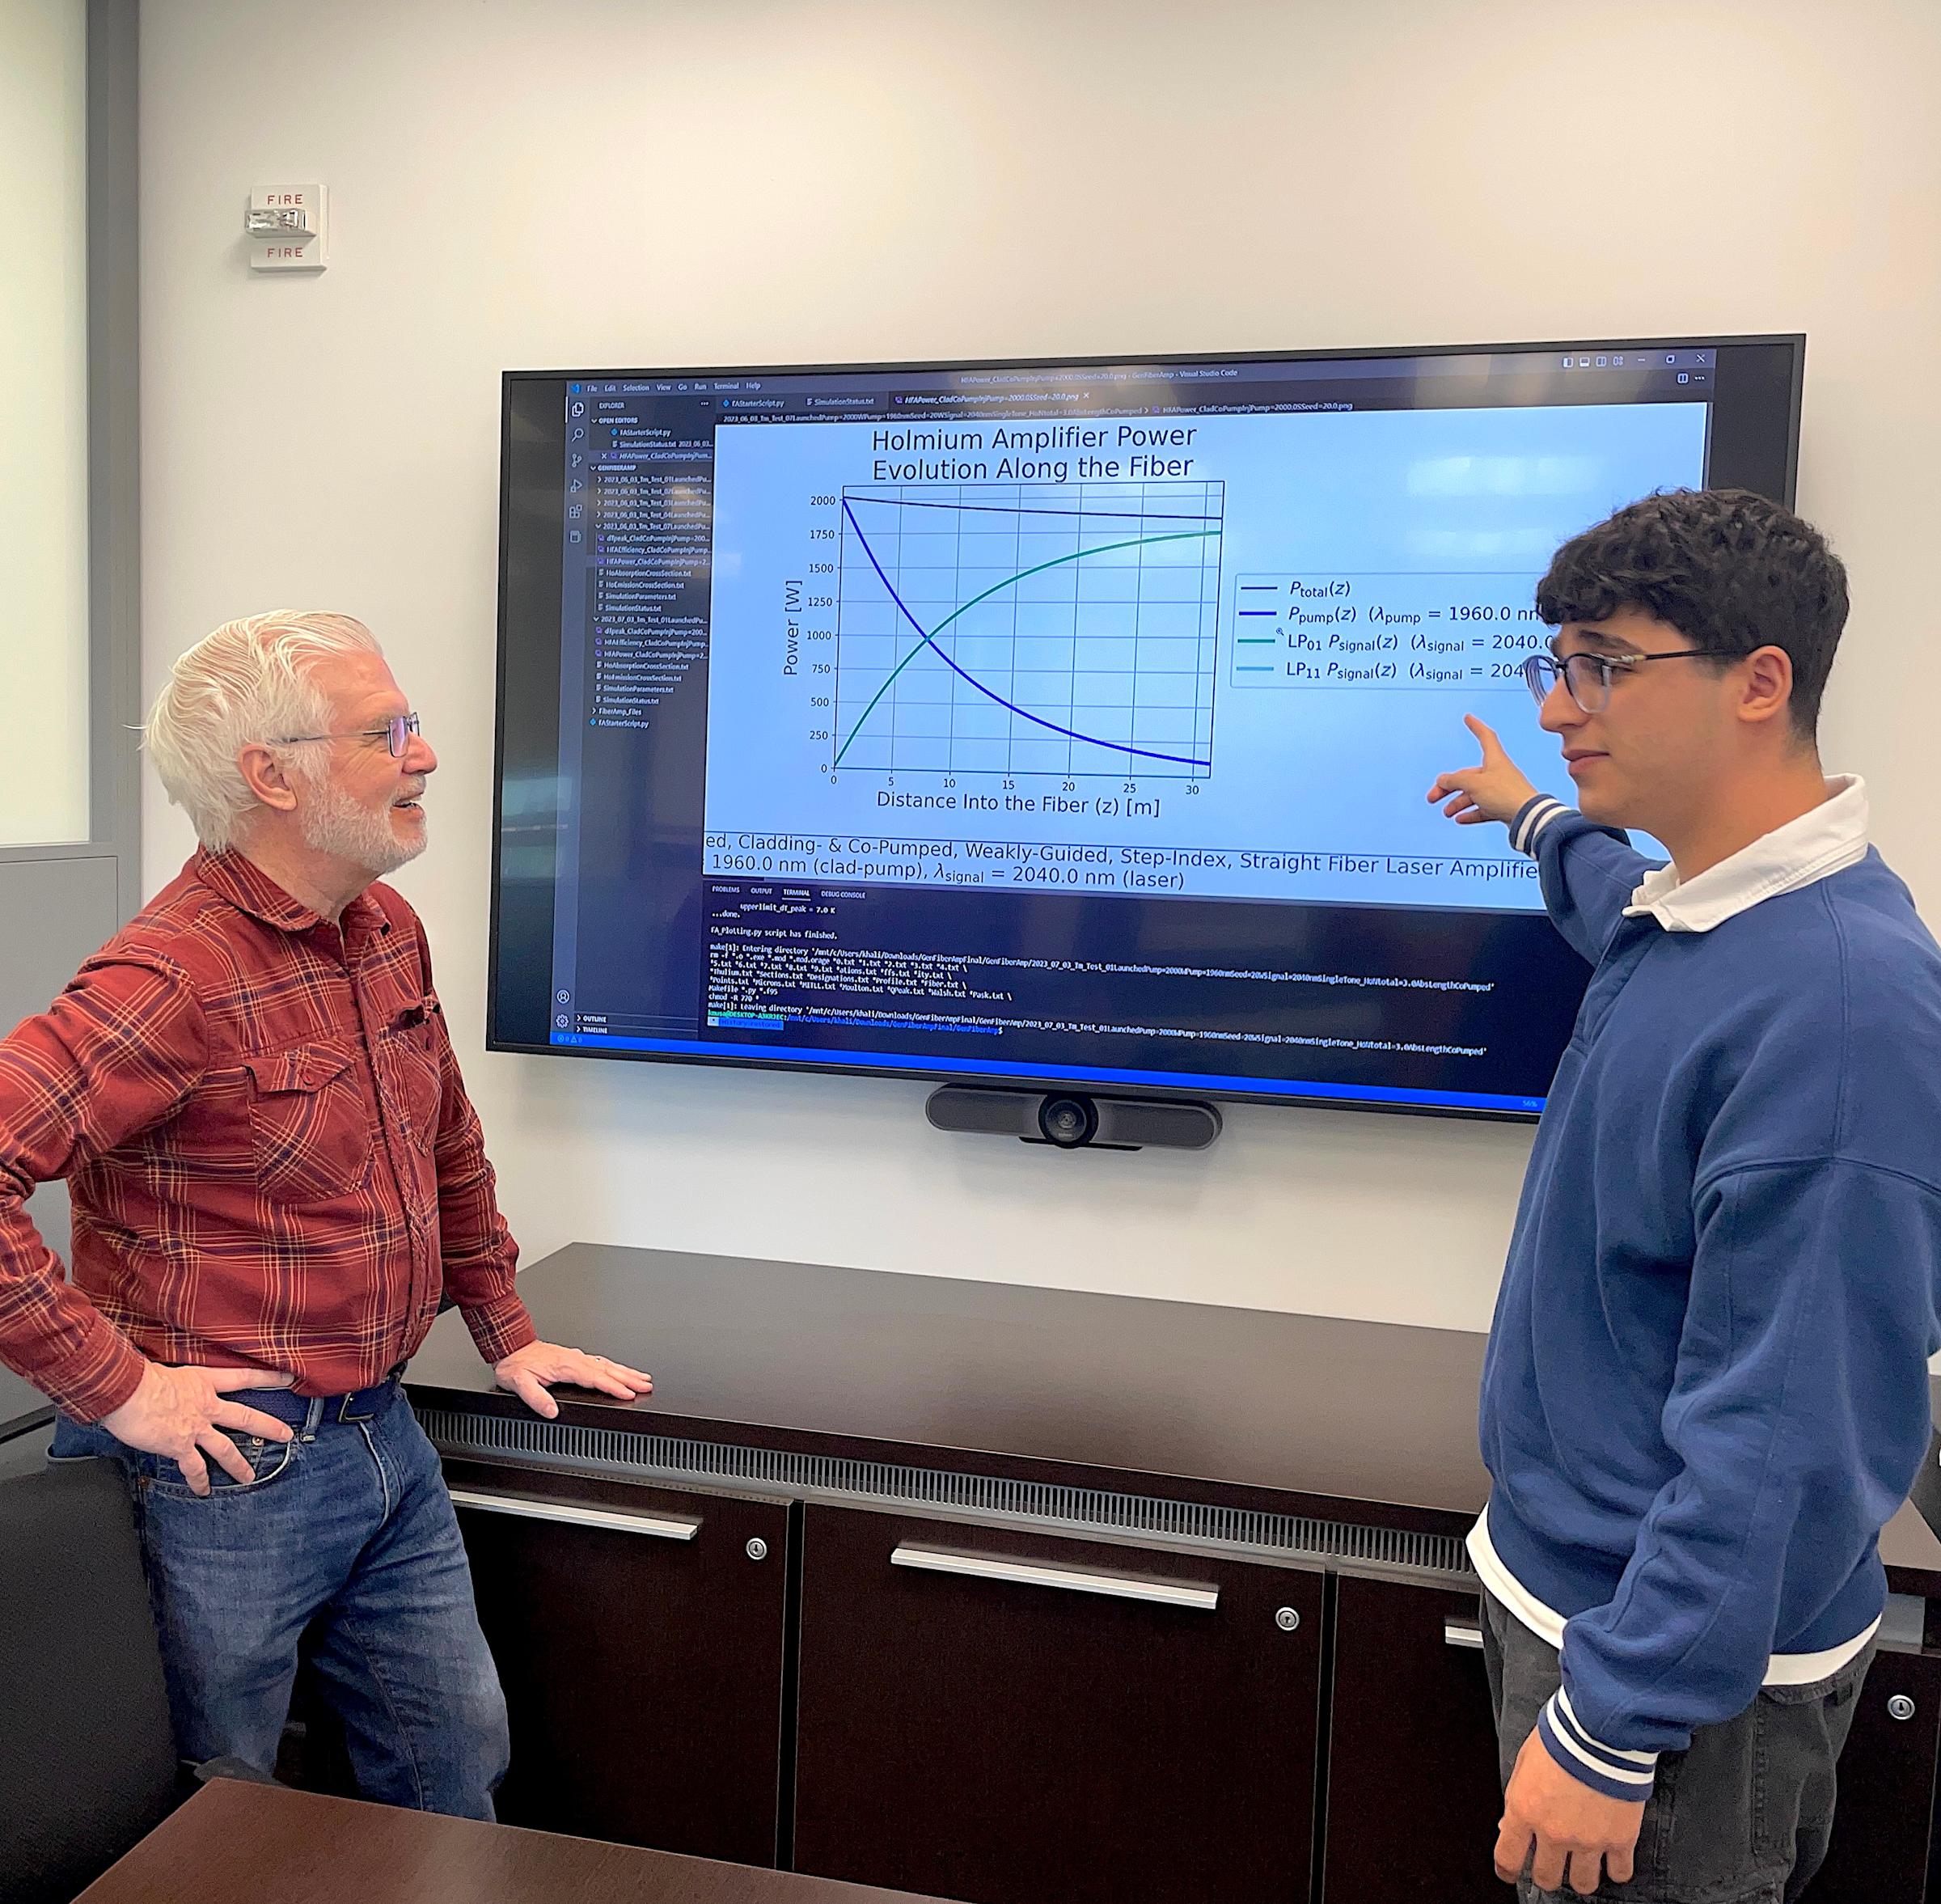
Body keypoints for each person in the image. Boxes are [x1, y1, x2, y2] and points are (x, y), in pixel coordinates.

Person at [0, 611, 653, 1820]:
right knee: (213, 1816)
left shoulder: (386, 932)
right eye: (387, 730)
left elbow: (445, 1136)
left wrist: (504, 1327)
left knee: (453, 1764)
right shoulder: (172, 975)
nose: (427, 754)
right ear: (272, 774)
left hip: (379, 1436)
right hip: (221, 1472)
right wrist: (119, 1388)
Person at [1427, 489, 1941, 1901]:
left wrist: (1608, 1723)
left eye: (1600, 664)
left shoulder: (1841, 1013)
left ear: (1758, 685)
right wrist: (1528, 817)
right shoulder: (1701, 915)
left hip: (1676, 1687)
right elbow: (1610, 900)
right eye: (1558, 664)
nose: (1557, 706)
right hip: (1593, 1602)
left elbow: (1789, 1427)